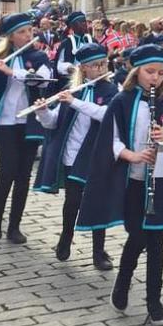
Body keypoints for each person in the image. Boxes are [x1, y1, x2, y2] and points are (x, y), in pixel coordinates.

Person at [76, 44, 163, 326]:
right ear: (135, 71)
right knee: (138, 237)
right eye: (150, 72)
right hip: (133, 181)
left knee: (157, 241)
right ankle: (122, 284)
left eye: (161, 73)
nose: (155, 78)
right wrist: (133, 155)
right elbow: (110, 141)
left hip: (158, 180)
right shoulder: (121, 101)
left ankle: (154, 302)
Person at [33, 43, 118, 270]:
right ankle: (66, 237)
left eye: (103, 64)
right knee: (72, 201)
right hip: (72, 155)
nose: (101, 69)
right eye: (95, 65)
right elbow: (54, 123)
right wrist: (42, 111)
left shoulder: (112, 91)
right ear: (83, 68)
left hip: (97, 156)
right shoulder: (74, 90)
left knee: (97, 202)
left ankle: (98, 252)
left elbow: (105, 115)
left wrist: (75, 102)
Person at [0, 13, 53, 244]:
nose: (28, 35)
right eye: (22, 32)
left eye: (29, 30)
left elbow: (44, 80)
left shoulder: (39, 56)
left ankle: (14, 226)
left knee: (23, 175)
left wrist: (12, 72)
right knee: (7, 170)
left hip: (28, 122)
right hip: (5, 122)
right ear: (10, 36)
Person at [54, 11, 94, 90]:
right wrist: (71, 68)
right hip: (73, 82)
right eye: (81, 22)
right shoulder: (67, 43)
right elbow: (60, 65)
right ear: (73, 26)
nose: (84, 24)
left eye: (84, 21)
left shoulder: (93, 41)